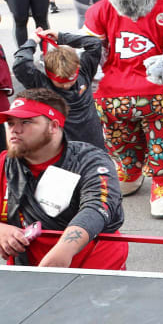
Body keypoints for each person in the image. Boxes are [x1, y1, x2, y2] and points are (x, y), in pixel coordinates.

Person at [0, 90, 127, 269]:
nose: (14, 129)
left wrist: (65, 250)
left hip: (97, 272)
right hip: (29, 275)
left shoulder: (90, 160)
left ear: (53, 126)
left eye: (26, 122)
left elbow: (97, 207)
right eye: (10, 123)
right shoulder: (4, 163)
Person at [12, 28, 104, 149]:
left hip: (94, 146)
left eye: (71, 80)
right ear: (48, 74)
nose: (67, 86)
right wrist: (33, 40)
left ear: (77, 67)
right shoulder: (43, 87)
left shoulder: (85, 72)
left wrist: (61, 37)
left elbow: (94, 43)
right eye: (61, 83)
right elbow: (20, 64)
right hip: (65, 152)